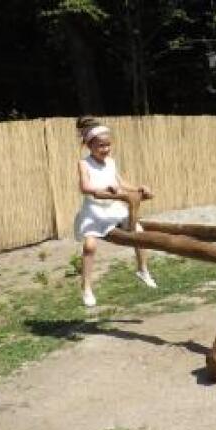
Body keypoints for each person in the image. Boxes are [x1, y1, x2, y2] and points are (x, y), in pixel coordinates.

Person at [74, 118, 157, 307]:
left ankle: (142, 269)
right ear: (89, 145)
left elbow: (120, 183)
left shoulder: (111, 162)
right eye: (101, 146)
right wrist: (105, 189)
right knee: (89, 246)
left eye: (108, 145)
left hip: (113, 208)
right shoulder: (84, 164)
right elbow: (85, 187)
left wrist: (138, 188)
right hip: (94, 211)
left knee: (138, 231)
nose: (105, 149)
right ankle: (86, 287)